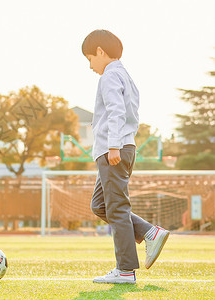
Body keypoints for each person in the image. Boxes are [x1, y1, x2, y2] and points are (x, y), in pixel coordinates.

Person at [82, 29, 170, 284]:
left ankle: (125, 270)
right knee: (100, 205)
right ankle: (149, 232)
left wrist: (112, 146)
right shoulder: (125, 75)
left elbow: (116, 111)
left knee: (117, 208)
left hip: (115, 149)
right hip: (122, 147)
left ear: (100, 51)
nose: (90, 66)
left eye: (90, 59)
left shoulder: (110, 75)